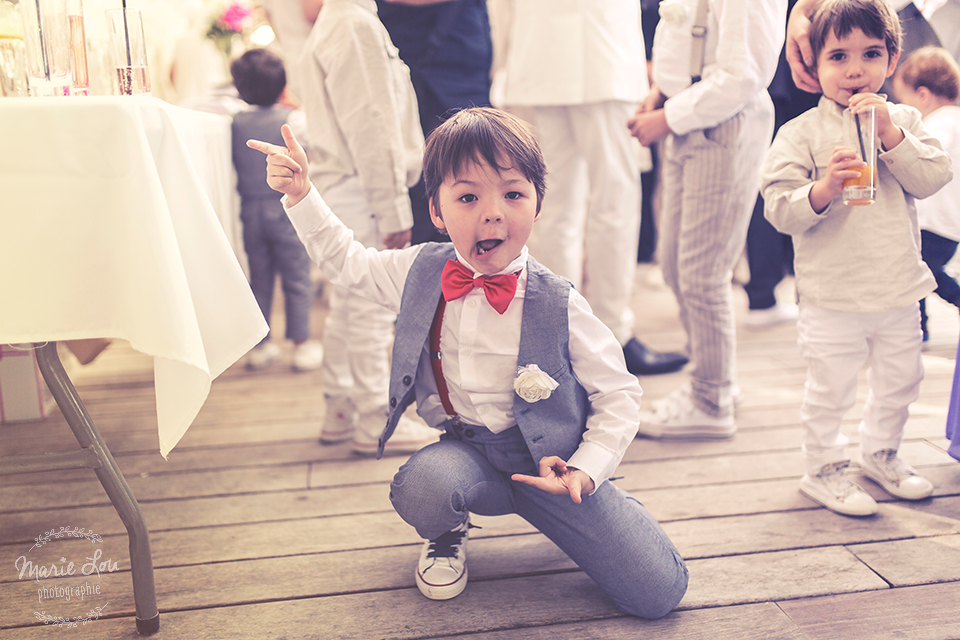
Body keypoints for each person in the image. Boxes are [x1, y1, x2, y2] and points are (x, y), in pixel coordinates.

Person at [247, 108, 689, 616]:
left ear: (538, 204)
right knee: (422, 488)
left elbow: (619, 394)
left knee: (657, 593)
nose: (493, 212)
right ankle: (447, 530)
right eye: (468, 197)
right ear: (436, 210)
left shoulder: (559, 302)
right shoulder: (419, 270)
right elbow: (347, 262)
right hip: (469, 455)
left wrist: (587, 471)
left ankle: (597, 515)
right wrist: (302, 196)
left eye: (513, 194)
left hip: (553, 464)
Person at [761, 0, 952, 516]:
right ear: (812, 65)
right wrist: (822, 189)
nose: (854, 69)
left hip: (898, 285)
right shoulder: (799, 133)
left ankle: (881, 452)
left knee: (902, 379)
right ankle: (822, 468)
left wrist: (891, 135)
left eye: (870, 53)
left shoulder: (906, 118)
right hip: (832, 294)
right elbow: (778, 207)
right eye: (837, 56)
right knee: (831, 388)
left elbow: (935, 176)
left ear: (892, 61)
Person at [489, 0, 689, 377]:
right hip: (597, 59)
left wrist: (504, 65)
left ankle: (571, 336)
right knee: (590, 207)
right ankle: (598, 334)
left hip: (550, 59)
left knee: (563, 209)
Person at [628, 0, 786, 437]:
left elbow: (744, 74)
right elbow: (686, 39)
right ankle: (713, 377)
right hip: (687, 118)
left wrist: (668, 117)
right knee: (676, 263)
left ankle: (711, 399)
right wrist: (662, 91)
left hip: (722, 123)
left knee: (703, 271)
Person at [297, 0, 437, 454]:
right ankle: (377, 415)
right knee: (373, 309)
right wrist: (393, 207)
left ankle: (340, 407)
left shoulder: (337, 21)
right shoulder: (354, 25)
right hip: (363, 190)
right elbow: (371, 126)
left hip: (347, 188)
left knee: (348, 306)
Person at [230, 49, 324, 372]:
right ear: (282, 84)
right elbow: (315, 144)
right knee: (296, 275)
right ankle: (301, 344)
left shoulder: (234, 121)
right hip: (286, 211)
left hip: (249, 212)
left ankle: (261, 344)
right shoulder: (292, 119)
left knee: (260, 276)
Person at [376, 0, 494, 245]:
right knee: (407, 177)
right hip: (395, 44)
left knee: (472, 162)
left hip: (459, 47)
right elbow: (312, 8)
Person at [892, 47, 960, 342]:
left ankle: (920, 326)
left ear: (922, 96)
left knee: (922, 272)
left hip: (934, 220)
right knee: (917, 269)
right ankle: (918, 327)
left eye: (903, 101)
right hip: (948, 220)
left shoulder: (937, 124)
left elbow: (925, 159)